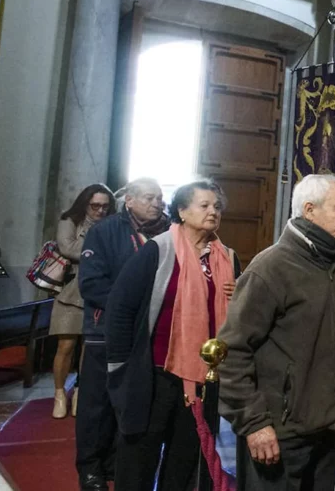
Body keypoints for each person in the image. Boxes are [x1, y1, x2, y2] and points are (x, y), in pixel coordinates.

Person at [218, 174, 335, 491]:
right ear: (310, 210)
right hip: (279, 432)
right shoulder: (270, 268)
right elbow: (231, 352)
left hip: (326, 429)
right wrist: (254, 423)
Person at [104, 181, 239, 491]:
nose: (212, 212)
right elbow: (121, 308)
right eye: (204, 205)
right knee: (139, 459)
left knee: (184, 461)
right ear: (181, 211)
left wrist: (239, 293)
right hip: (154, 373)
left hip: (203, 378)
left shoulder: (227, 258)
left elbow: (239, 315)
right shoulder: (159, 250)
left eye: (217, 207)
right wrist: (121, 366)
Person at [76, 178, 168, 491]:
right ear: (128, 200)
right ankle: (90, 468)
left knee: (132, 402)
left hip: (149, 336)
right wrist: (129, 309)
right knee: (96, 404)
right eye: (148, 197)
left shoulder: (169, 233)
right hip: (106, 331)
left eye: (159, 198)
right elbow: (91, 285)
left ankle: (117, 462)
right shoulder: (104, 232)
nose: (156, 203)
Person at [50, 184, 116, 419]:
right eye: (95, 205)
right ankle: (59, 394)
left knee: (89, 352)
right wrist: (99, 249)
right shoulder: (70, 219)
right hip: (70, 293)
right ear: (85, 203)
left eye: (105, 207)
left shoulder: (111, 224)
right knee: (65, 347)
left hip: (97, 295)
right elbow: (66, 247)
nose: (100, 211)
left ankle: (80, 392)